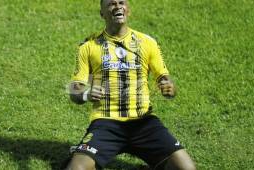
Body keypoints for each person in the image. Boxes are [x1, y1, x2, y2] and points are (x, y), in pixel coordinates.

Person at [66, 0, 196, 169]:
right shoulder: (88, 46)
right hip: (106, 123)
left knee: (187, 168)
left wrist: (169, 87)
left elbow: (164, 78)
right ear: (102, 13)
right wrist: (86, 93)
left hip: (144, 122)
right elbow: (74, 88)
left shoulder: (147, 42)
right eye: (111, 4)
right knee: (76, 168)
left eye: (122, 2)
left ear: (128, 10)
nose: (118, 6)